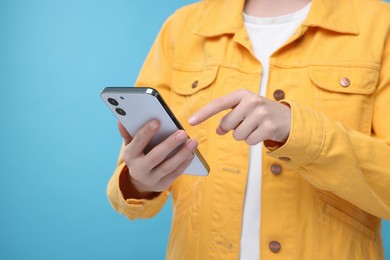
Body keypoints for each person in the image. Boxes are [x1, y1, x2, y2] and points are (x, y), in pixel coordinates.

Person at [106, 0, 390, 259]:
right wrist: (141, 182)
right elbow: (127, 191)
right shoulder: (182, 28)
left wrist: (298, 130)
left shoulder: (380, 25)